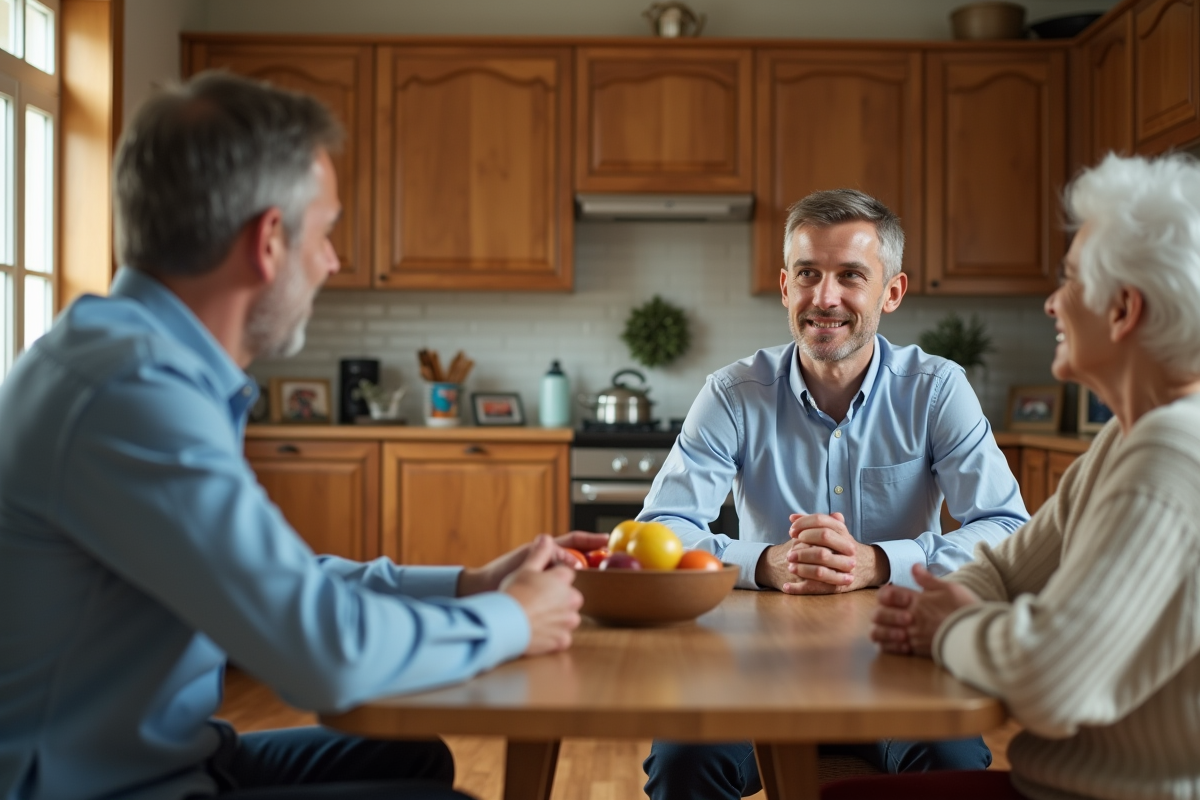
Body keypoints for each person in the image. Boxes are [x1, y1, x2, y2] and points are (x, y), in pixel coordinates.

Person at [0, 72, 607, 800]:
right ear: (268, 241)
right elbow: (324, 655)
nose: (333, 260)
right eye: (325, 233)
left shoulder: (136, 361)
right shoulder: (133, 393)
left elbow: (274, 579)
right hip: (102, 788)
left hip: (178, 757)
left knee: (408, 759)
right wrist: (511, 618)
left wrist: (467, 585)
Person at [638, 189, 1030, 799]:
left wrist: (879, 562)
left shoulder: (937, 390)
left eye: (850, 275)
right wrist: (764, 563)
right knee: (682, 761)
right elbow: (660, 529)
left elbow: (1007, 528)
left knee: (950, 757)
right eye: (808, 274)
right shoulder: (732, 394)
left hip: (900, 662)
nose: (825, 297)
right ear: (785, 286)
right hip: (757, 669)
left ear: (891, 292)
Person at [854, 152, 1200, 800]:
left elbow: (1053, 677)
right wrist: (940, 606)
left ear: (1123, 310)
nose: (1051, 303)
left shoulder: (1173, 453)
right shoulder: (1124, 438)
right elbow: (1007, 569)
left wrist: (946, 627)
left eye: (1069, 280)